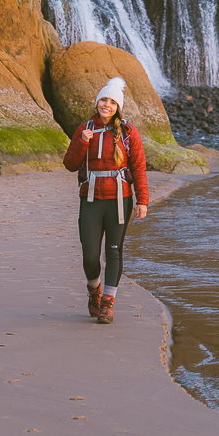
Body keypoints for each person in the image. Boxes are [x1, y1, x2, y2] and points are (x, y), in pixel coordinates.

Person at [62, 75, 149, 325]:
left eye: (112, 102)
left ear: (118, 106)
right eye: (103, 100)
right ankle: (94, 289)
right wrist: (82, 142)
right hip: (90, 199)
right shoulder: (85, 128)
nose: (107, 105)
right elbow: (69, 164)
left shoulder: (130, 133)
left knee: (114, 251)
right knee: (90, 256)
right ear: (97, 102)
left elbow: (139, 168)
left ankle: (107, 304)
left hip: (120, 200)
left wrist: (142, 200)